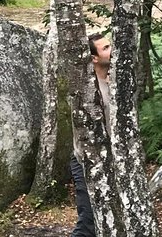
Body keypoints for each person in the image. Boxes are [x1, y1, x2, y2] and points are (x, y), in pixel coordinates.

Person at [70, 32, 112, 237]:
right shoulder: (86, 89)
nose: (111, 50)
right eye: (105, 48)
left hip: (111, 159)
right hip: (86, 159)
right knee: (88, 221)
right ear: (94, 57)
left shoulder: (114, 84)